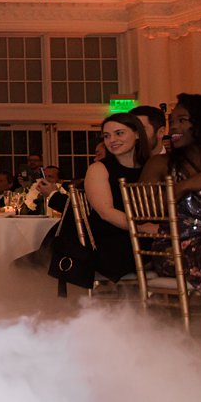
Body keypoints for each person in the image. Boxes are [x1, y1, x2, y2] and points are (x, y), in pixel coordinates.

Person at [141, 93, 201, 316]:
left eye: (182, 120)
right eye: (172, 121)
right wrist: (186, 185)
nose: (173, 128)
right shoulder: (160, 163)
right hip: (175, 248)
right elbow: (146, 211)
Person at [80, 112, 151, 282]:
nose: (112, 140)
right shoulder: (99, 168)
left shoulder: (151, 167)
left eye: (119, 133)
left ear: (137, 134)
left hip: (145, 235)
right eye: (107, 136)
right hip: (109, 238)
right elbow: (106, 212)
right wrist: (142, 229)